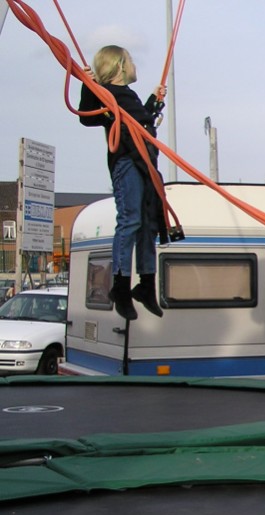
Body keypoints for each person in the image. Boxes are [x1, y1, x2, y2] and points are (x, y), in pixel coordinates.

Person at [79, 45, 166, 321]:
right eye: (131, 61)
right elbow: (87, 116)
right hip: (127, 161)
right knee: (130, 220)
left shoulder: (128, 95)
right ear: (119, 66)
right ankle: (120, 286)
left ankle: (146, 284)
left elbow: (139, 121)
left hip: (144, 162)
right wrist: (88, 86)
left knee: (148, 222)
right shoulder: (107, 95)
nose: (135, 66)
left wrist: (153, 101)